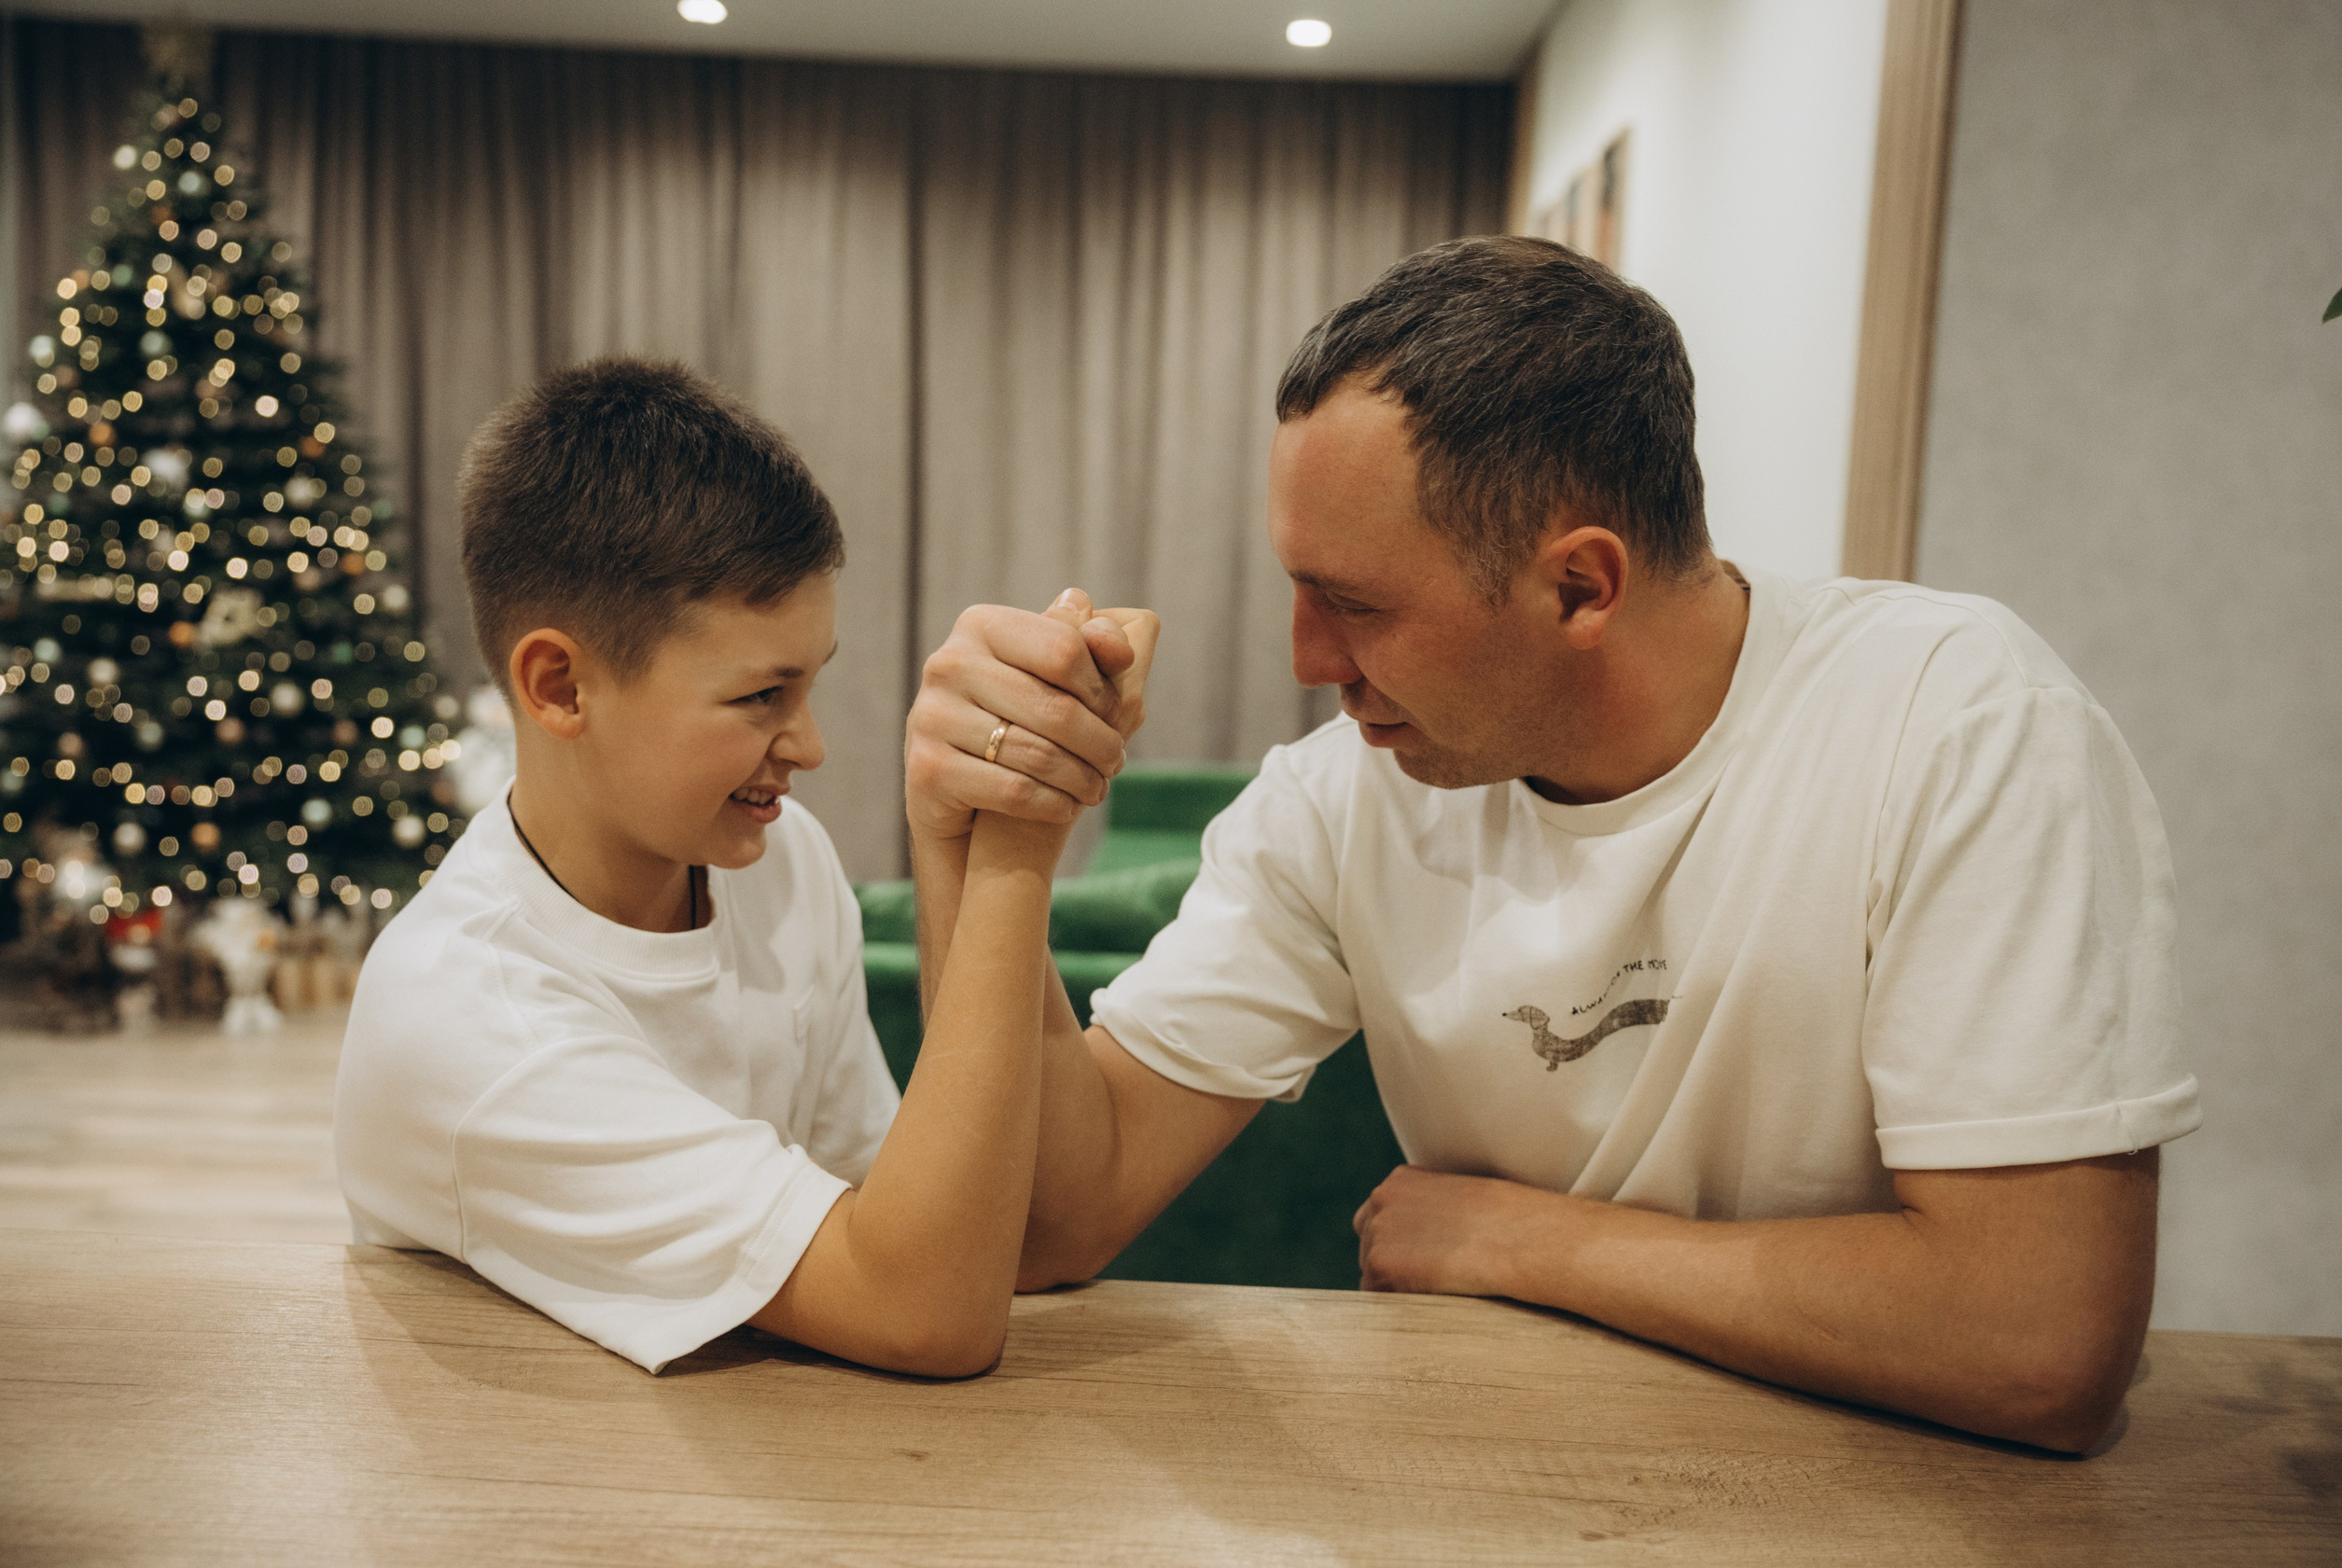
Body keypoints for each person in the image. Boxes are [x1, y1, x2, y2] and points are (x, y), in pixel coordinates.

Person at [904, 237, 2200, 1452]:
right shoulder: (1343, 797)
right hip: (1494, 1479)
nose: (1308, 664)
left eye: (1355, 605)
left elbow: (2040, 1337)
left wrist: (1524, 1239)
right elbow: (1051, 1218)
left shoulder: (1957, 722)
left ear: (1582, 584)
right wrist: (981, 832)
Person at [335, 358, 1155, 1377]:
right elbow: (928, 1312)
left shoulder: (777, 863)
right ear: (560, 686)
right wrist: (1017, 843)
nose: (808, 744)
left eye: (809, 687)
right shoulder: (469, 1022)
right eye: (761, 697)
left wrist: (955, 834)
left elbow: (967, 1239)